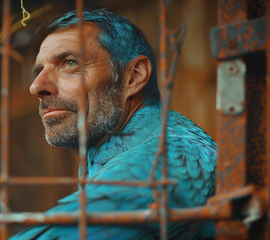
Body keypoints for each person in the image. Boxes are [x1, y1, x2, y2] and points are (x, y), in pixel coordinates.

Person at [11, 9, 217, 240]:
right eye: (38, 71)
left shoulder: (174, 152)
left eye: (70, 63)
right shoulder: (104, 147)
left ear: (134, 76)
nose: (36, 87)